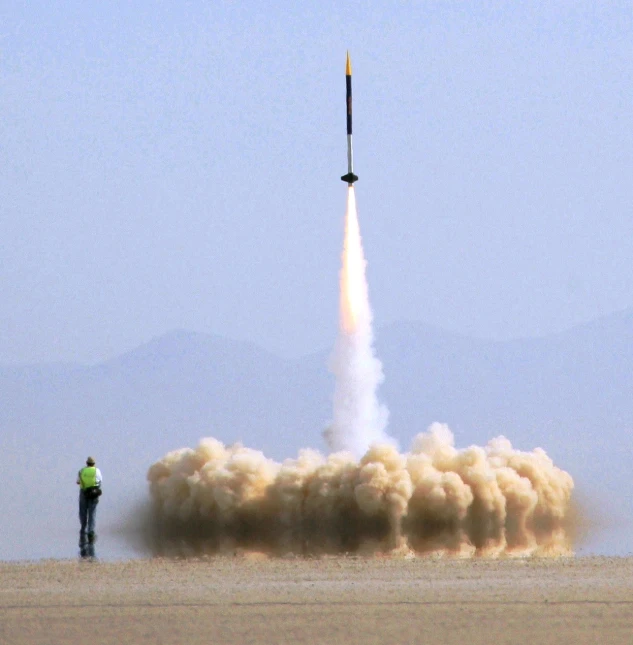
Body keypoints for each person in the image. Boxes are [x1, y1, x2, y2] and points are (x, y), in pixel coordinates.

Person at [77, 456, 102, 547]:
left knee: (83, 511)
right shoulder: (97, 471)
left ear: (86, 463)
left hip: (83, 492)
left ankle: (83, 529)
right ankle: (91, 532)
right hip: (93, 493)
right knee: (92, 513)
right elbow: (99, 481)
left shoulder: (82, 471)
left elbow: (78, 482)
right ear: (94, 463)